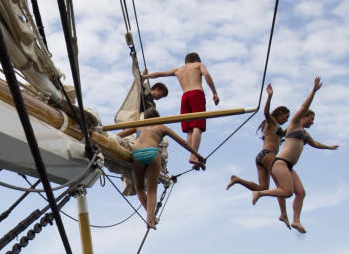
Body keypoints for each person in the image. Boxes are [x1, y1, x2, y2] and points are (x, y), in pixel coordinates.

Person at [251, 77, 339, 233]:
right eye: (311, 119)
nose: (312, 122)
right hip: (280, 163)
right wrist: (313, 91)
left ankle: (296, 221)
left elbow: (315, 144)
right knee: (287, 192)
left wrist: (329, 147)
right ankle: (260, 192)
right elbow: (305, 106)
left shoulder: (304, 134)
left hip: (289, 166)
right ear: (304, 117)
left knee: (301, 192)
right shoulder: (295, 123)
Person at [118, 116, 207, 229]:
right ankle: (150, 218)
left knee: (140, 188)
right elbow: (184, 143)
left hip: (137, 153)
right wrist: (198, 155)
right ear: (157, 119)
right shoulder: (162, 127)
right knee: (152, 190)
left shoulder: (138, 124)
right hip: (153, 153)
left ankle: (151, 217)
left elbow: (118, 135)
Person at [226, 84, 292, 228]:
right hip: (269, 155)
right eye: (286, 117)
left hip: (261, 156)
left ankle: (237, 179)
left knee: (263, 187)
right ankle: (284, 214)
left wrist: (297, 124)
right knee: (281, 186)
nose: (286, 120)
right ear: (279, 114)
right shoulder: (272, 122)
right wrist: (269, 96)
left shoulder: (276, 127)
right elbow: (266, 112)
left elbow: (287, 132)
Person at [144, 52, 220, 168]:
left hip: (185, 97)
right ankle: (193, 156)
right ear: (196, 60)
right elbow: (207, 75)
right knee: (198, 126)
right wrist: (214, 93)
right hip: (196, 94)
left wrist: (144, 77)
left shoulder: (179, 69)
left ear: (186, 61)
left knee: (189, 130)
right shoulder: (198, 65)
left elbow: (160, 74)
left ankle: (192, 155)